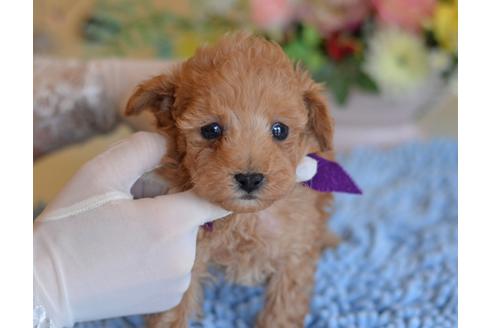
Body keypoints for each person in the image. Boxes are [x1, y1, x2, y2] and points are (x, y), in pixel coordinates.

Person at [33, 130, 318, 328]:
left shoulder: (295, 208)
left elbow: (298, 259)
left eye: (279, 130)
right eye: (213, 130)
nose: (248, 165)